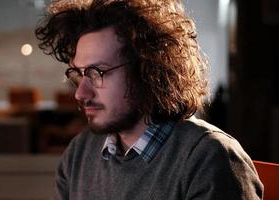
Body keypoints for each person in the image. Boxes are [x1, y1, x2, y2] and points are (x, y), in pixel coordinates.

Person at [35, 0, 263, 199]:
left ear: (148, 71)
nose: (80, 93)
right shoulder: (80, 153)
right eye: (79, 73)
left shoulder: (209, 159)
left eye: (97, 73)